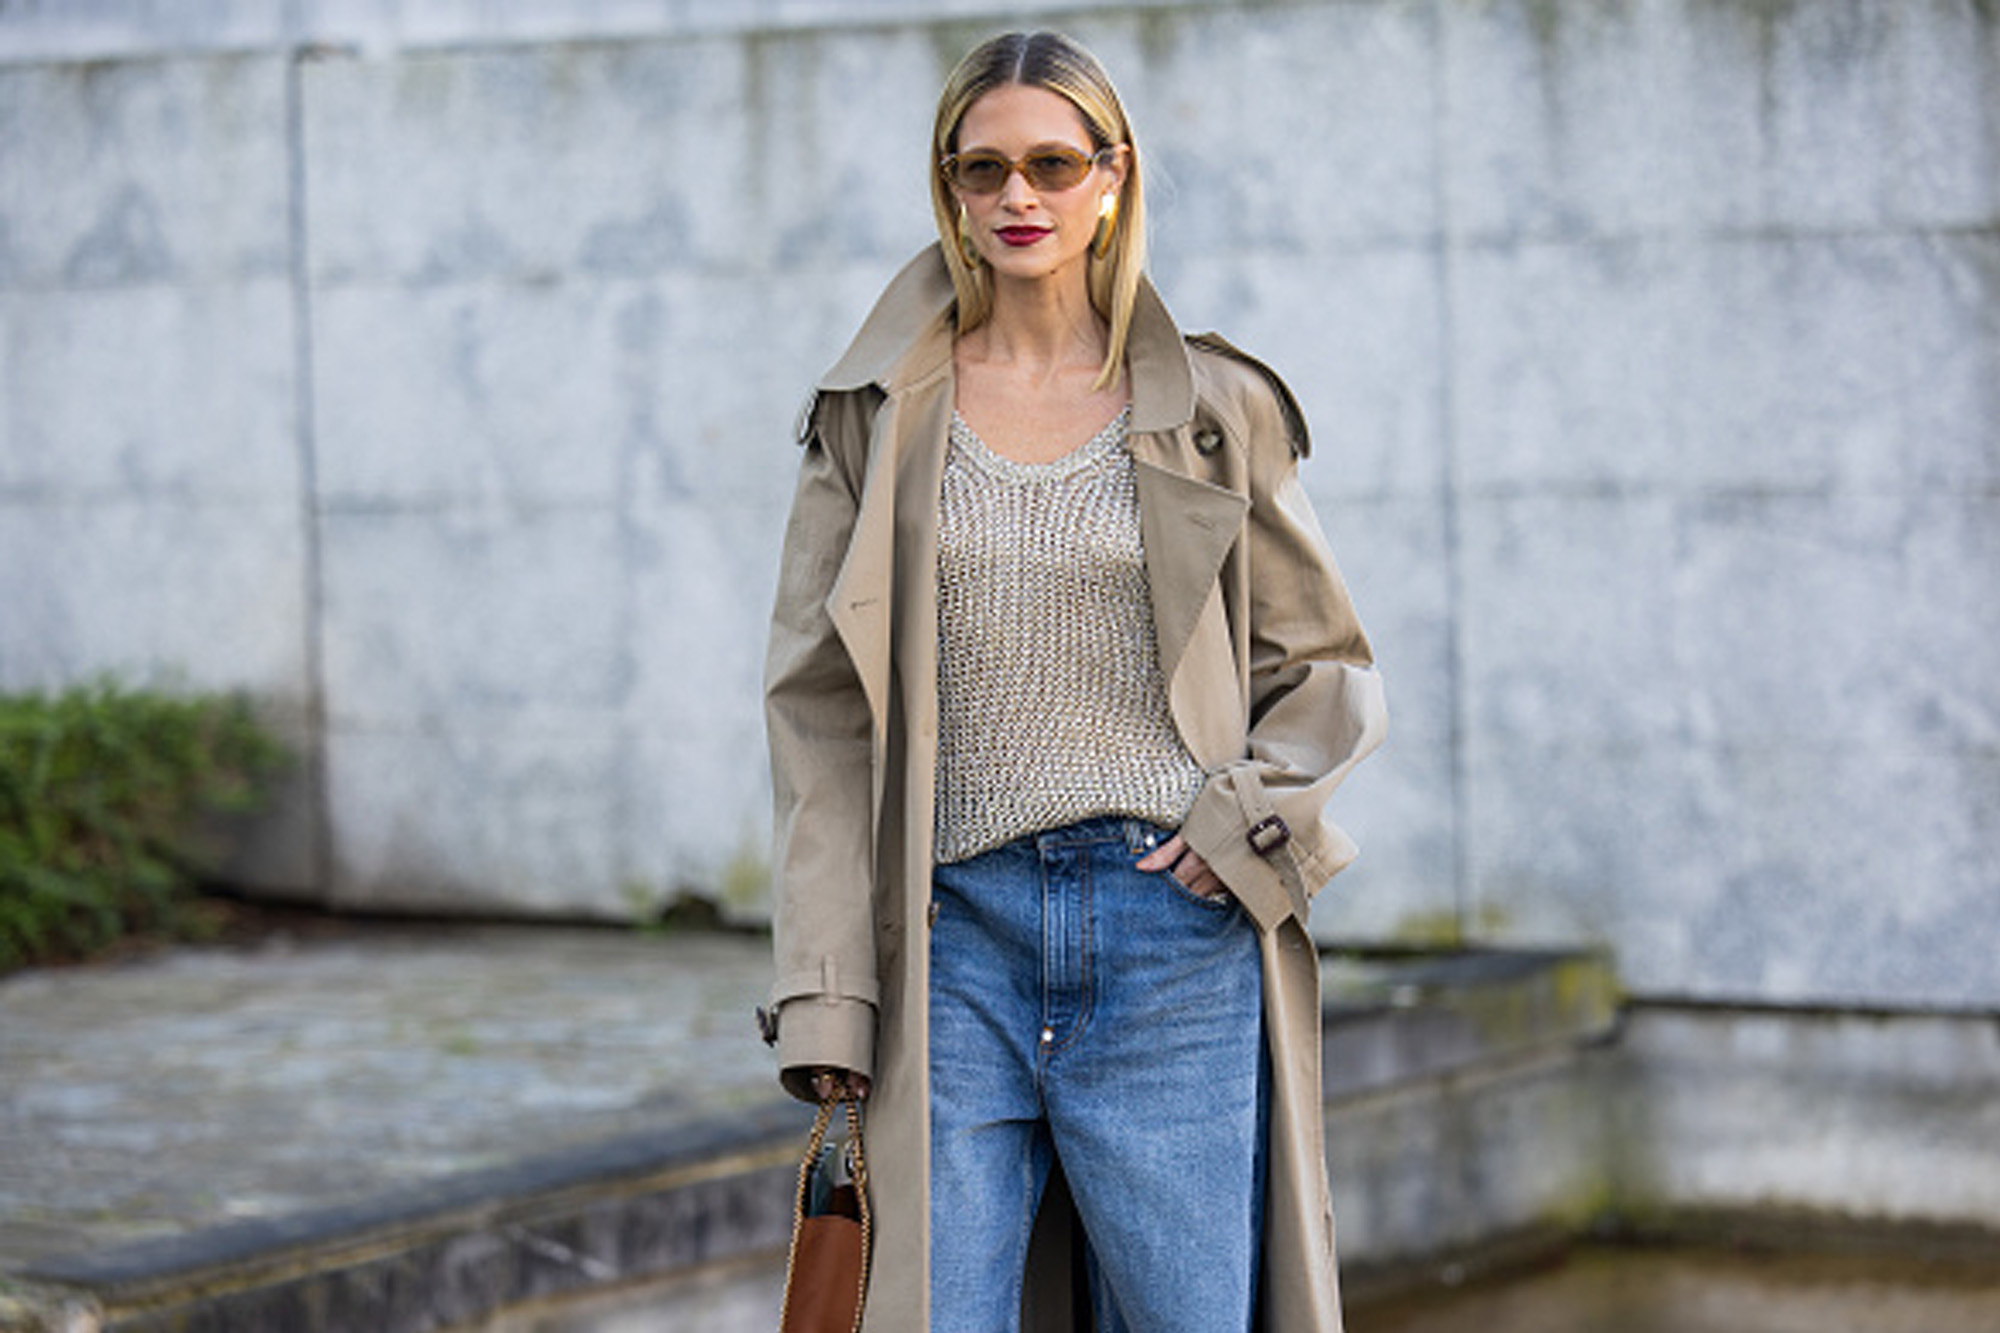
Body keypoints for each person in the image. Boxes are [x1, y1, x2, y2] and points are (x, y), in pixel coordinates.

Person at [762, 30, 1386, 1333]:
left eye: (1052, 163)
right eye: (982, 170)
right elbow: (817, 707)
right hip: (950, 945)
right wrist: (829, 985)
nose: (1017, 200)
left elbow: (1320, 665)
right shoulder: (875, 411)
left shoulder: (1214, 406)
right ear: (950, 187)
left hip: (1171, 937)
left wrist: (1248, 831)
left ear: (1114, 176)